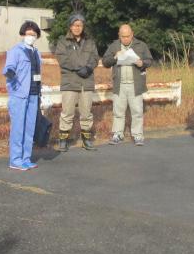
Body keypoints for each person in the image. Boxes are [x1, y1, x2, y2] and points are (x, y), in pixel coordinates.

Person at [102, 24, 153, 146]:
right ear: (119, 35)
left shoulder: (141, 45)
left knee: (137, 111)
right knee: (118, 111)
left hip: (135, 84)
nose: (125, 39)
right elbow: (105, 62)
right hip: (119, 84)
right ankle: (117, 134)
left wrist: (142, 63)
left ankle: (138, 135)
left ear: (132, 34)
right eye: (123, 36)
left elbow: (150, 60)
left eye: (128, 36)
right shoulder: (114, 45)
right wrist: (115, 57)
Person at [54, 13, 99, 151]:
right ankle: (63, 140)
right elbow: (62, 59)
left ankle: (86, 140)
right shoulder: (63, 41)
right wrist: (79, 68)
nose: (77, 28)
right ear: (70, 26)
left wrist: (89, 67)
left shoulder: (90, 42)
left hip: (87, 82)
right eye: (74, 25)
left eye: (80, 25)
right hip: (70, 81)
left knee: (86, 113)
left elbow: (95, 57)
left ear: (83, 26)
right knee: (67, 112)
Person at [3, 21, 42, 170]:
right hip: (19, 94)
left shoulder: (36, 53)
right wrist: (10, 72)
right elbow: (9, 67)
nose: (31, 36)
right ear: (22, 34)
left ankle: (26, 158)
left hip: (33, 94)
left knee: (29, 128)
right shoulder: (15, 51)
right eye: (28, 33)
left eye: (34, 34)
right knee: (18, 128)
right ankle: (15, 159)